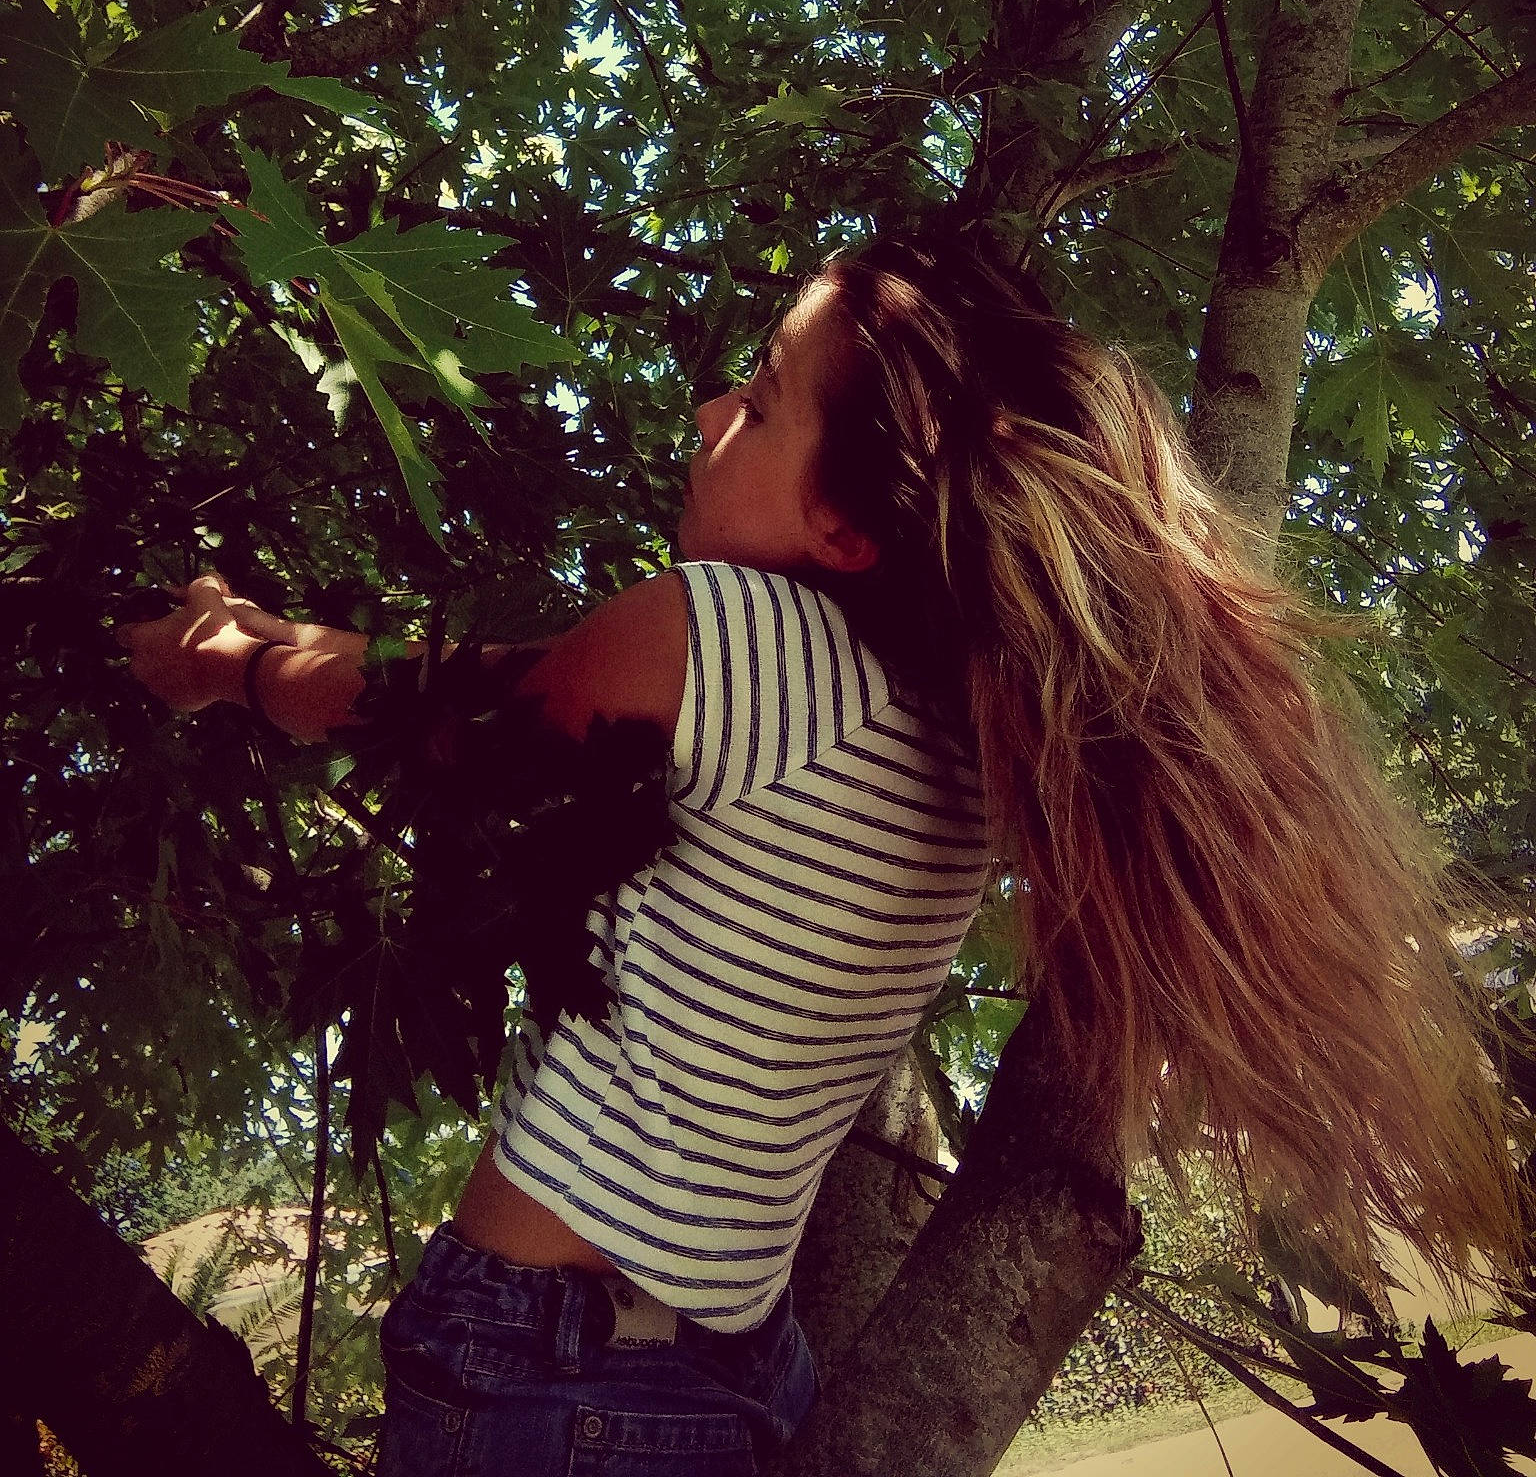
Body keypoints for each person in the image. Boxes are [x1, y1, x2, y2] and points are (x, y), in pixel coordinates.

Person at [120, 235, 1523, 1474]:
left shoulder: (722, 638)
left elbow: (421, 705)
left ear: (846, 525)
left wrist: (226, 655)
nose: (709, 410)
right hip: (738, 1366)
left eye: (761, 399)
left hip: (549, 1370)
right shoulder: (982, 744)